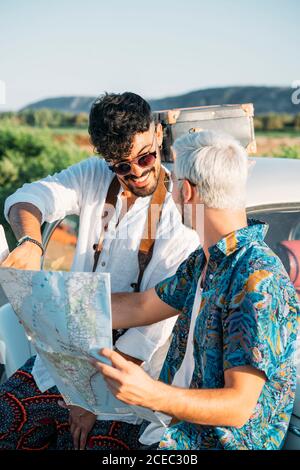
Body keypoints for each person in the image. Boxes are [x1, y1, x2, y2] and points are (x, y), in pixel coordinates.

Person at [0, 92, 199, 450]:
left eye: (145, 158)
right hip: (61, 363)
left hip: (125, 387)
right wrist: (30, 242)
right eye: (122, 166)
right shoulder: (93, 175)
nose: (136, 174)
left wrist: (89, 397)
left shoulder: (181, 211)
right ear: (106, 159)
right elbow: (28, 198)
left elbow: (152, 329)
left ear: (156, 133)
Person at [92, 130, 300, 450]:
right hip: (172, 433)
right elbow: (141, 306)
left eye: (171, 184)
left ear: (186, 192)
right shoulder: (206, 261)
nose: (170, 192)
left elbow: (238, 407)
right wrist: (67, 306)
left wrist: (150, 392)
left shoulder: (257, 281)